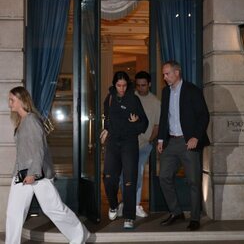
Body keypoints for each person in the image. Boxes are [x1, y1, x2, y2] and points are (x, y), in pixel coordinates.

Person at [6, 86, 90, 244]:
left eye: (12, 100)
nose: (9, 103)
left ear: (22, 100)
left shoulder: (31, 119)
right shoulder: (22, 120)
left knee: (54, 209)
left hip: (37, 174)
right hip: (22, 173)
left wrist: (33, 173)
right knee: (13, 213)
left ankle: (80, 235)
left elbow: (39, 149)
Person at [157, 60, 210, 231]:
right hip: (171, 141)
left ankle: (195, 218)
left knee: (193, 181)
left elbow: (203, 116)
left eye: (167, 74)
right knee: (164, 176)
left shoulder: (192, 90)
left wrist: (195, 136)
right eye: (164, 74)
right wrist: (160, 140)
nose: (164, 77)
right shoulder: (165, 92)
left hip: (188, 142)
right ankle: (176, 212)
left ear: (177, 72)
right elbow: (164, 117)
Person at [100, 71, 148, 229]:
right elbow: (107, 119)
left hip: (129, 143)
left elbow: (144, 124)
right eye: (119, 85)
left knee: (129, 180)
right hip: (113, 143)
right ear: (114, 85)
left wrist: (135, 123)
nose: (121, 88)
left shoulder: (134, 100)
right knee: (108, 177)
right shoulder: (110, 99)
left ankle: (129, 216)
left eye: (124, 85)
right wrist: (106, 129)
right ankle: (113, 205)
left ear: (128, 85)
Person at [118, 71, 160, 218]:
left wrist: (149, 139)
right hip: (127, 144)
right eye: (138, 85)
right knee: (123, 175)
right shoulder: (130, 97)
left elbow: (156, 126)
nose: (141, 88)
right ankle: (125, 203)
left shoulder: (155, 102)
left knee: (138, 174)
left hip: (143, 146)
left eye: (143, 85)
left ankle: (135, 205)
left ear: (149, 84)